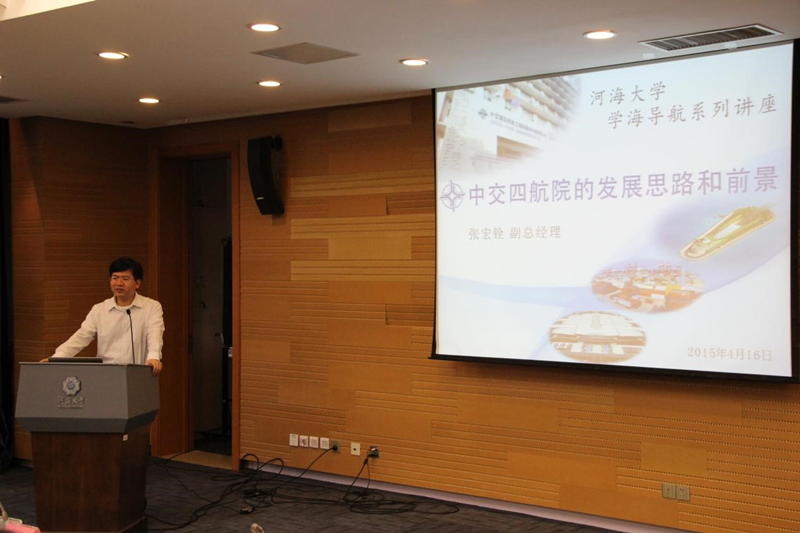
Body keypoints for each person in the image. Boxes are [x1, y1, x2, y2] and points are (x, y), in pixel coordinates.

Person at [42, 257, 164, 376]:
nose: (119, 283)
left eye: (125, 279)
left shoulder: (151, 307)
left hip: (139, 373)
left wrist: (153, 357)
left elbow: (155, 334)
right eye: (115, 278)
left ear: (137, 283)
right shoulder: (99, 310)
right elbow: (81, 337)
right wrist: (57, 358)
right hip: (106, 374)